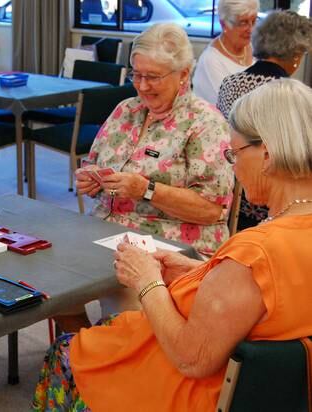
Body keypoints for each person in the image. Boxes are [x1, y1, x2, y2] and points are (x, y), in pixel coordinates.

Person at [33, 78, 312, 411]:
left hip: (182, 389)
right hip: (272, 393)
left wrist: (146, 281)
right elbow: (268, 294)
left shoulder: (255, 252)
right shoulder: (282, 237)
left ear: (265, 154)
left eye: (232, 153)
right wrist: (203, 269)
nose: (232, 166)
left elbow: (191, 359)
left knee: (65, 354)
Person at [76, 23, 234, 257]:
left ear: (183, 74)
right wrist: (90, 179)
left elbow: (212, 210)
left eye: (152, 76)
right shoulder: (125, 110)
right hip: (108, 231)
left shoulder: (205, 122)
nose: (141, 85)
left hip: (172, 246)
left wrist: (146, 190)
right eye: (136, 74)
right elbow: (93, 163)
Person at [217, 10, 312, 231]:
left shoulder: (229, 82)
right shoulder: (289, 96)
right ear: (297, 53)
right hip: (273, 202)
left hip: (231, 190)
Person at [192, 0, 258, 105]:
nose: (251, 29)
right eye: (243, 23)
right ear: (224, 25)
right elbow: (228, 109)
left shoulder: (253, 47)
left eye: (254, 21)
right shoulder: (210, 61)